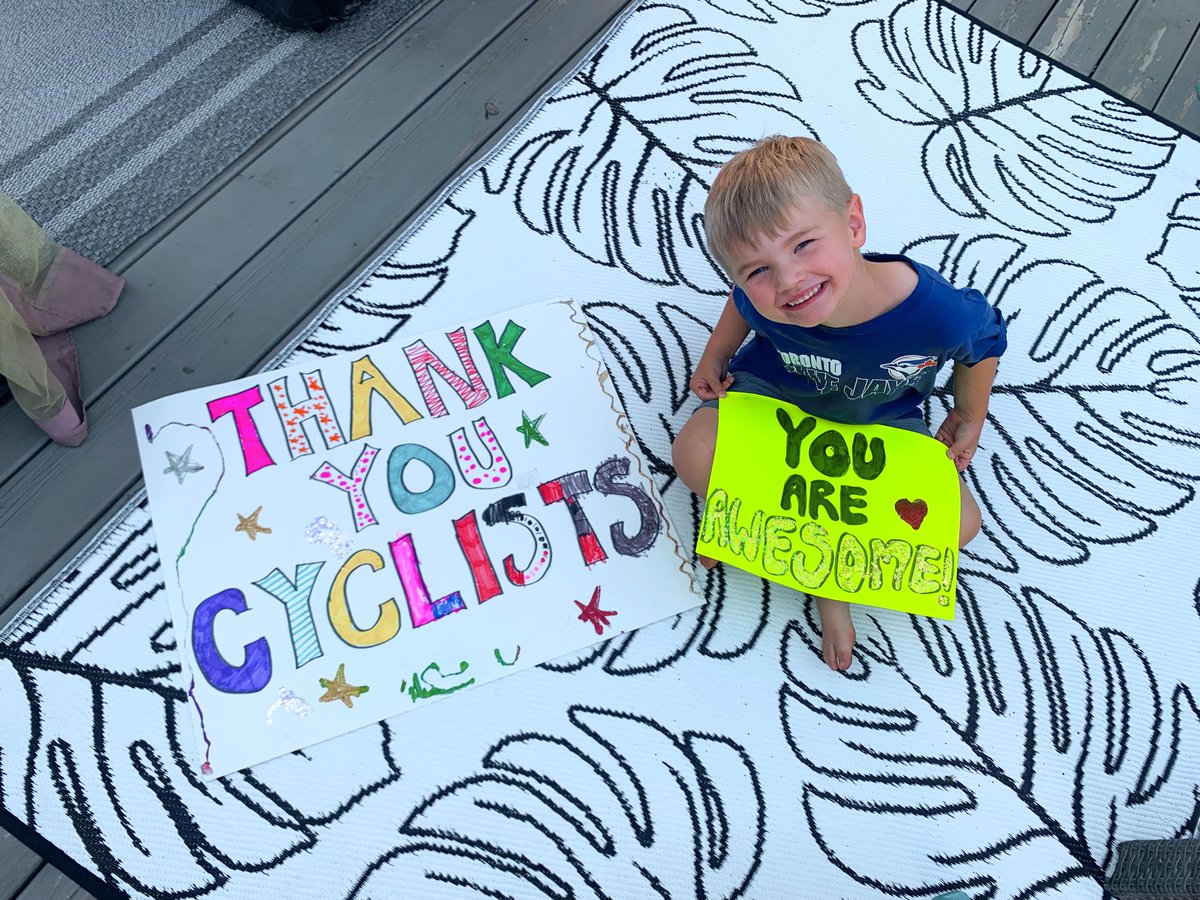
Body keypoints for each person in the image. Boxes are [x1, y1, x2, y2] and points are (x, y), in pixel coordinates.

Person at [672, 136, 1006, 672]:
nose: (789, 281)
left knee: (960, 523)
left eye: (803, 244)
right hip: (777, 397)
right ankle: (758, 532)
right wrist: (717, 355)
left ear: (853, 224)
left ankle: (784, 549)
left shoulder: (936, 313)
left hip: (880, 419)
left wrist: (970, 413)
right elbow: (740, 307)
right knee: (692, 452)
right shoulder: (763, 298)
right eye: (757, 270)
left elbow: (985, 341)